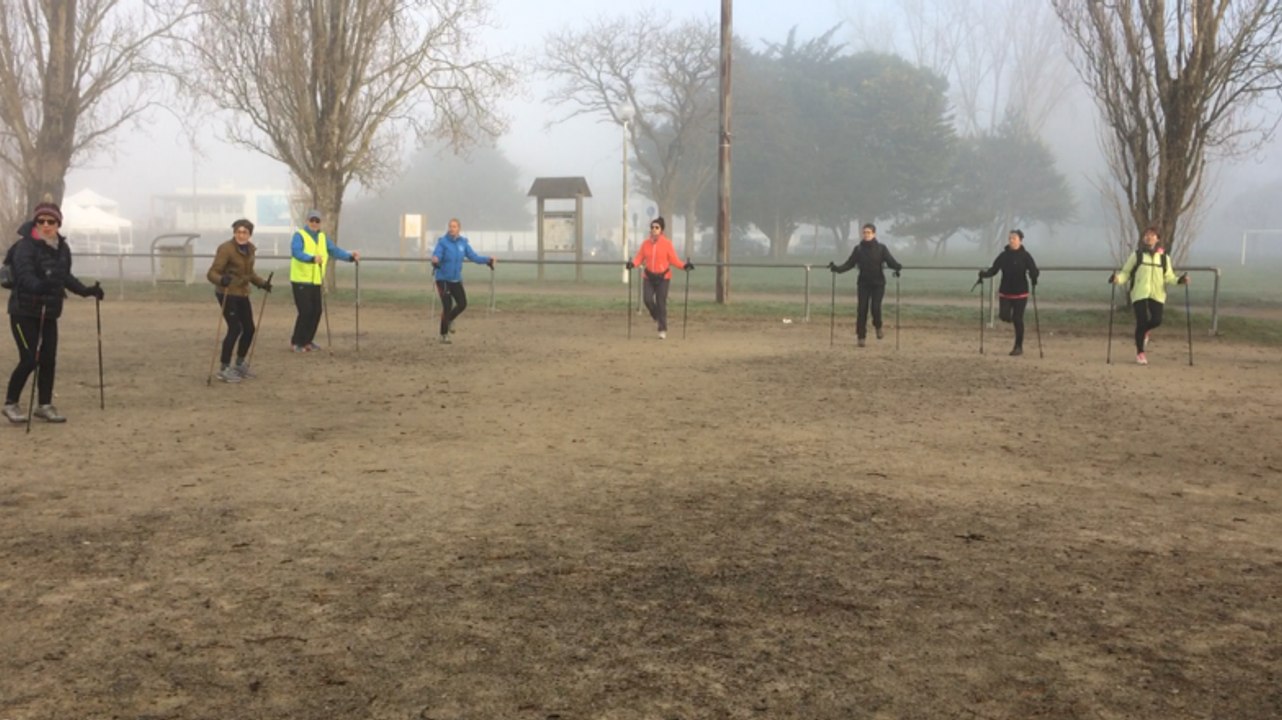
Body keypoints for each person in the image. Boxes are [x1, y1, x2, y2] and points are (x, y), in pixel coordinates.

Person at [3, 201, 104, 424]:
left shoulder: (62, 248)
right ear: (35, 222)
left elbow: (64, 277)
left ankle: (44, 405)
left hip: (49, 312)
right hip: (23, 312)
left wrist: (87, 291)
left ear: (58, 224)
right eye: (41, 221)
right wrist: (39, 286)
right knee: (30, 358)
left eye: (51, 221)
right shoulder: (25, 247)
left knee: (48, 359)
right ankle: (11, 403)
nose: (46, 225)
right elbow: (24, 274)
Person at [1111, 226, 1188, 366]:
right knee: (1141, 321)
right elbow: (1126, 273)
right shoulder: (1137, 255)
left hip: (1157, 294)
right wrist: (1117, 279)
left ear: (1157, 239)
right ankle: (1140, 353)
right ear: (1143, 238)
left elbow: (1169, 277)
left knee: (1157, 320)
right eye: (1146, 235)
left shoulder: (1164, 258)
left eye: (1152, 235)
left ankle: (1145, 332)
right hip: (1139, 293)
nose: (1149, 237)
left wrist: (1180, 280)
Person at [207, 219, 272, 382]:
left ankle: (240, 363)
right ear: (234, 232)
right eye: (238, 232)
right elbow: (212, 272)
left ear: (250, 234)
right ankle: (224, 367)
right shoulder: (226, 249)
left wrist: (262, 284)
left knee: (249, 329)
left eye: (245, 232)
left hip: (242, 292)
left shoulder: (250, 249)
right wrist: (221, 280)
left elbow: (249, 273)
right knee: (235, 328)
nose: (241, 235)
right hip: (227, 292)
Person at [289, 208, 358, 352]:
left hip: (316, 281)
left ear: (320, 223)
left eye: (317, 221)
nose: (314, 223)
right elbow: (296, 252)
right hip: (301, 280)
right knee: (305, 311)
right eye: (312, 220)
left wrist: (350, 257)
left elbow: (335, 251)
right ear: (307, 221)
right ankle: (297, 342)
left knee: (317, 311)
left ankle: (307, 341)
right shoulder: (299, 235)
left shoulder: (322, 238)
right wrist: (311, 258)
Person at [828, 223, 902, 346]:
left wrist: (898, 267)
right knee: (862, 310)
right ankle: (861, 337)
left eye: (868, 232)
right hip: (863, 283)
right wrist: (837, 269)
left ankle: (878, 326)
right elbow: (849, 264)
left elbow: (890, 261)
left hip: (878, 284)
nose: (866, 235)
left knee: (875, 308)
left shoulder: (881, 248)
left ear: (874, 233)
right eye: (864, 232)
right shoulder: (858, 249)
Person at [626, 216, 692, 340]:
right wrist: (632, 264)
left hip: (663, 277)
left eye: (657, 227)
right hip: (648, 276)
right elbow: (639, 257)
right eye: (652, 227)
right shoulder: (645, 244)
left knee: (661, 303)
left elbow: (674, 260)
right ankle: (657, 316)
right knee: (647, 299)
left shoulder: (667, 244)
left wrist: (685, 266)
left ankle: (662, 329)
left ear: (661, 230)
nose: (654, 229)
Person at [430, 218, 494, 344]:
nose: (451, 229)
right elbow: (437, 254)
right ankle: (443, 334)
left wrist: (488, 260)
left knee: (463, 304)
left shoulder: (463, 243)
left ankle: (449, 319)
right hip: (443, 279)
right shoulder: (443, 242)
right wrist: (435, 259)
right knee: (447, 306)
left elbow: (474, 257)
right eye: (450, 226)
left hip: (456, 279)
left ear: (459, 228)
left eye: (454, 226)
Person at [978, 229, 1040, 356]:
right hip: (1005, 291)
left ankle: (1018, 346)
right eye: (1010, 238)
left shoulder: (1025, 256)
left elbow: (1034, 270)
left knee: (1018, 319)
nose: (1011, 240)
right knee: (1004, 316)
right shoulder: (1004, 256)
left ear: (1020, 240)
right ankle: (1014, 322)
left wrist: (1034, 277)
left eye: (1014, 238)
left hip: (1021, 292)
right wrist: (983, 275)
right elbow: (994, 270)